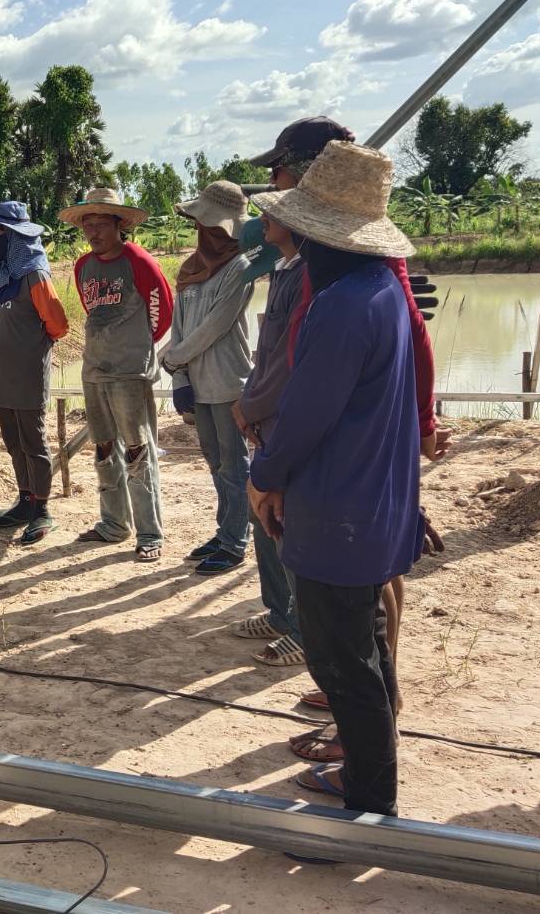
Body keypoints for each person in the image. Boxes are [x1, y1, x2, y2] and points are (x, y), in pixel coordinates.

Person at [247, 140, 422, 819]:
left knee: (341, 665)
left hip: (334, 511)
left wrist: (263, 476)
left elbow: (304, 416)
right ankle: (369, 780)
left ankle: (367, 803)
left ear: (323, 239)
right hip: (374, 502)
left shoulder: (341, 305)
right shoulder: (382, 292)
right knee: (368, 653)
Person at [61, 188, 173, 562]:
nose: (93, 232)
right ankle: (113, 524)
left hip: (129, 370)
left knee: (138, 449)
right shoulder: (82, 267)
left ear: (119, 225)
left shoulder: (138, 261)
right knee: (104, 447)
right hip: (94, 368)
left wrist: (138, 347)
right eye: (87, 225)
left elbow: (162, 311)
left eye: (100, 224)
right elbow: (90, 308)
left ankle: (149, 532)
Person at [161, 182, 255, 576]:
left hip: (228, 382)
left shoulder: (241, 268)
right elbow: (180, 324)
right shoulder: (190, 269)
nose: (208, 233)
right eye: (204, 225)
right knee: (215, 462)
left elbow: (215, 327)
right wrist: (180, 376)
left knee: (234, 465)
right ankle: (224, 530)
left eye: (216, 227)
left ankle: (236, 542)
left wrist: (172, 357)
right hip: (198, 385)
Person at [229, 207, 310, 667]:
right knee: (263, 515)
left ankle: (302, 629)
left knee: (285, 521)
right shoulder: (282, 269)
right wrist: (250, 399)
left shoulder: (308, 278)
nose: (266, 216)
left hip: (280, 416)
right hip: (264, 413)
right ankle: (280, 612)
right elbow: (266, 352)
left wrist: (254, 404)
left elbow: (287, 358)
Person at [0, 201, 69, 544]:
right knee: (13, 440)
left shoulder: (35, 274)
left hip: (28, 371)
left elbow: (58, 324)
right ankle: (25, 499)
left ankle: (42, 509)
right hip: (1, 372)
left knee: (34, 441)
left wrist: (32, 344)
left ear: (17, 237)